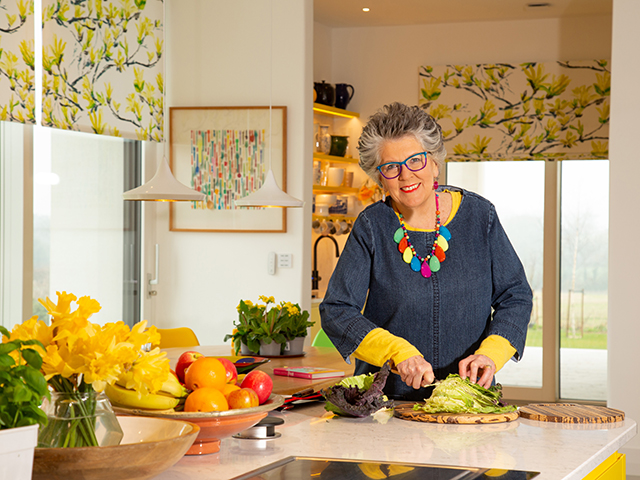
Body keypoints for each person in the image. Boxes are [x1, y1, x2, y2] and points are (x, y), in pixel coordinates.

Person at [320, 102, 532, 401]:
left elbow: (516, 296)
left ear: (435, 163)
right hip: (386, 403)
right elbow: (336, 310)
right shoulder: (371, 226)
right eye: (391, 167)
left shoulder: (479, 216)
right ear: (380, 177)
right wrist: (397, 352)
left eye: (415, 161)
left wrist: (491, 355)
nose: (405, 176)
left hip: (469, 400)